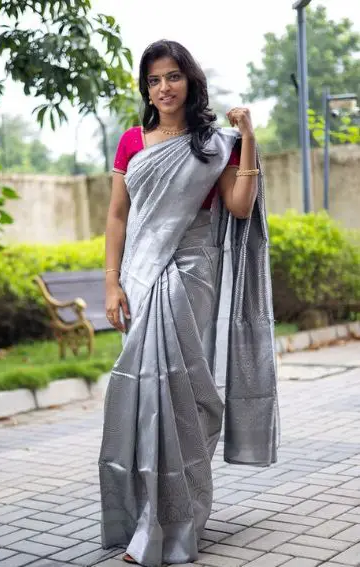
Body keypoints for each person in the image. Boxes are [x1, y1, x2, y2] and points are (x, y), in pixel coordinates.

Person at [98, 40, 279, 567]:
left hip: (192, 275)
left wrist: (247, 138)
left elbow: (240, 208)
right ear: (146, 88)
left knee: (178, 399)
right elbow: (116, 217)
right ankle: (146, 518)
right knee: (140, 396)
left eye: (172, 76)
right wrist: (112, 284)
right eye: (154, 80)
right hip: (140, 274)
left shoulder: (213, 143)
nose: (163, 88)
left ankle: (170, 526)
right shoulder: (132, 141)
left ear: (190, 80)